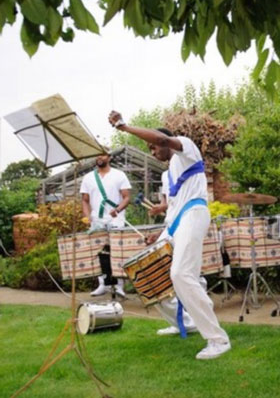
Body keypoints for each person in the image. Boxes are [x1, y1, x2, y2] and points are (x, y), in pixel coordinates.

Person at [108, 112, 231, 360]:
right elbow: (173, 210)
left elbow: (163, 141)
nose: (153, 151)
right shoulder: (169, 173)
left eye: (153, 146)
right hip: (176, 224)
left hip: (195, 213)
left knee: (181, 274)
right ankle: (183, 321)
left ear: (165, 140)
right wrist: (161, 235)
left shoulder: (187, 147)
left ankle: (218, 339)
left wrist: (125, 126)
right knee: (147, 274)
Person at [80, 151, 131, 297]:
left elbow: (127, 197)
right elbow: (85, 199)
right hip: (97, 219)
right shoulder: (88, 177)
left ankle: (119, 285)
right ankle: (102, 284)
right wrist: (87, 216)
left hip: (116, 218)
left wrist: (118, 209)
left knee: (117, 251)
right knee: (99, 252)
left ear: (109, 157)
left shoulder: (119, 175)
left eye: (103, 155)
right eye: (97, 155)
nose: (99, 157)